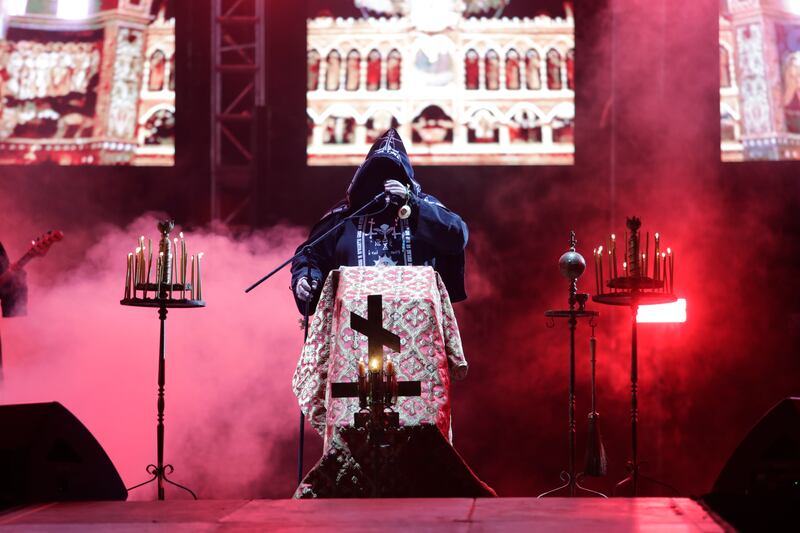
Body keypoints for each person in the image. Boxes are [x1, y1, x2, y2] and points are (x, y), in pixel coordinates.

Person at [290, 128, 468, 314]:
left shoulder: (425, 208)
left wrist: (412, 203)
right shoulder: (344, 217)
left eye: (393, 175)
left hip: (416, 327)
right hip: (355, 329)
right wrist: (305, 279)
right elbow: (309, 255)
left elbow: (457, 236)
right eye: (376, 176)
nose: (384, 183)